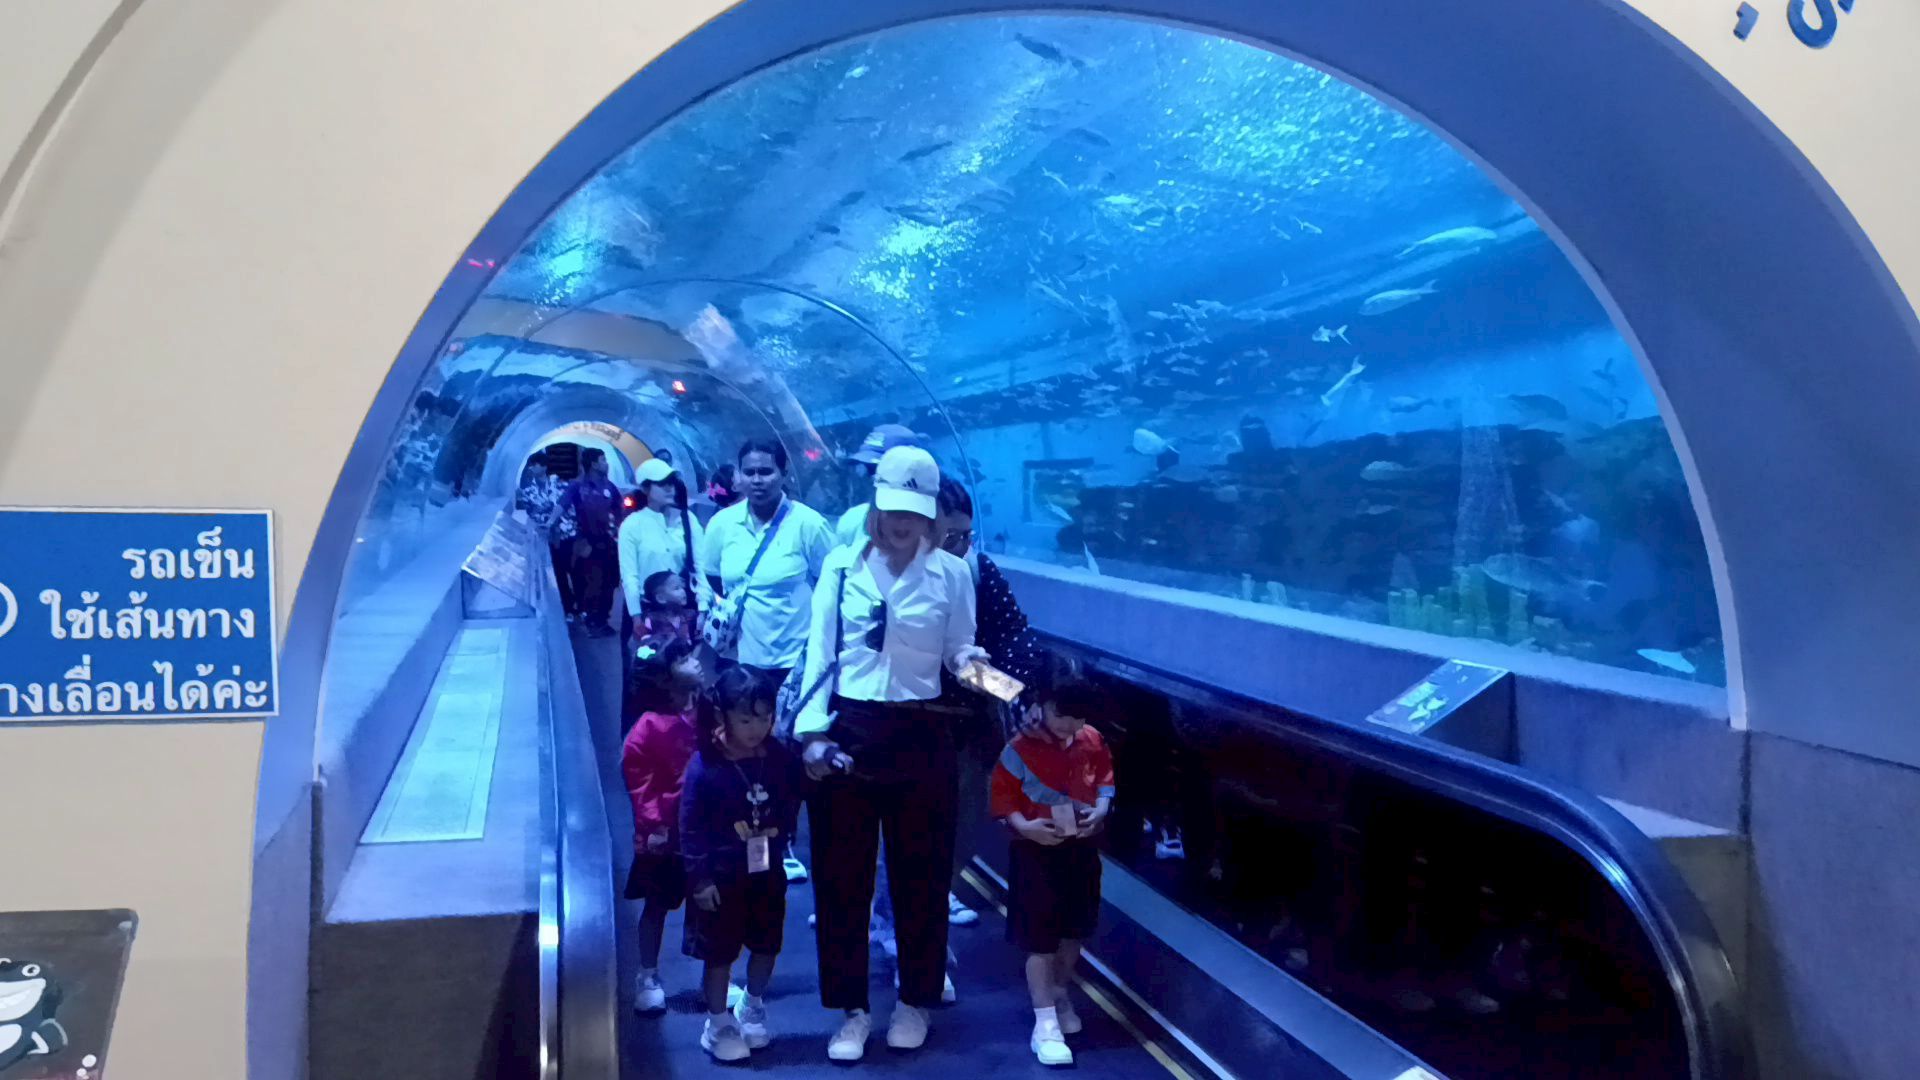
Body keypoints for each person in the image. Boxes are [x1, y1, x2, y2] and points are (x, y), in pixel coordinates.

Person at [793, 445, 992, 1062]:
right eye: (892, 509)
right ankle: (851, 1011)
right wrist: (812, 733)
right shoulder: (840, 566)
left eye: (913, 512)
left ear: (931, 514)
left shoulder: (952, 574)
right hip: (849, 730)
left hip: (920, 733)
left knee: (922, 878)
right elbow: (819, 653)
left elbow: (959, 649)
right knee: (841, 879)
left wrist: (977, 666)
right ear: (875, 505)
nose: (901, 523)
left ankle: (914, 1000)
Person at [704, 439, 834, 885]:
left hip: (795, 664)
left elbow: (831, 582)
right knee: (750, 752)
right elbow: (714, 578)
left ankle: (790, 838)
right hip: (744, 663)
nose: (757, 480)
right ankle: (753, 837)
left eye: (766, 471)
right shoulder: (722, 525)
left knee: (790, 755)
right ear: (737, 476)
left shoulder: (808, 525)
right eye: (749, 472)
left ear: (784, 473)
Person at [988, 655, 1116, 1067]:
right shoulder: (1018, 749)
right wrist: (1025, 827)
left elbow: (1106, 779)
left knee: (1074, 931)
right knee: (1038, 940)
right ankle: (1044, 1022)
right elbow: (1002, 799)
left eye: (1077, 718)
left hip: (1080, 850)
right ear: (1040, 704)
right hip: (1035, 854)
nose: (1069, 725)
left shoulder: (1092, 739)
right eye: (1061, 715)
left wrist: (1102, 809)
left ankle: (1060, 994)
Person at [679, 667, 804, 1062]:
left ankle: (752, 1004)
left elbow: (795, 794)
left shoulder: (779, 758)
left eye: (765, 718)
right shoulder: (706, 765)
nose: (756, 729)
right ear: (723, 716)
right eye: (746, 720)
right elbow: (690, 826)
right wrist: (700, 879)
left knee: (767, 944)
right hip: (720, 878)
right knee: (720, 954)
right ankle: (717, 1024)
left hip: (766, 873)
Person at [620, 634, 705, 1016]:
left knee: (707, 907)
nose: (695, 660)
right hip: (665, 837)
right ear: (665, 679)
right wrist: (656, 826)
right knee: (656, 905)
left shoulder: (706, 711)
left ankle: (712, 977)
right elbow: (641, 788)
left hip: (703, 832)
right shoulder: (648, 728)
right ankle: (648, 974)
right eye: (683, 657)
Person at [619, 457, 712, 639]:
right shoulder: (632, 525)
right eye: (662, 484)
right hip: (648, 610)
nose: (670, 488)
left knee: (687, 655)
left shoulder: (688, 520)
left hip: (684, 609)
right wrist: (636, 617)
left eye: (671, 482)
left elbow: (701, 566)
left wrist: (703, 607)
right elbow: (630, 575)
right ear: (646, 489)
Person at [558, 448, 623, 636]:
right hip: (587, 544)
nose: (606, 464)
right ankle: (591, 621)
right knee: (591, 583)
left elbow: (620, 512)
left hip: (609, 544)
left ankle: (602, 619)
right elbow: (562, 505)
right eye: (603, 460)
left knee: (610, 582)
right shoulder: (577, 486)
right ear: (593, 464)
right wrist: (550, 523)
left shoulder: (610, 487)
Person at [834, 424, 925, 548]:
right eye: (868, 468)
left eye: (879, 469)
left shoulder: (937, 524)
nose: (868, 477)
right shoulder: (851, 522)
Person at [517, 453, 574, 618]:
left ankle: (577, 605)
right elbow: (530, 512)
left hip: (564, 535)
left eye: (534, 465)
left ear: (544, 466)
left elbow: (566, 506)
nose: (531, 468)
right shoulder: (528, 491)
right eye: (530, 465)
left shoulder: (561, 485)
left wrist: (548, 513)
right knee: (556, 573)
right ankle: (566, 608)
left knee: (573, 570)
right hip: (544, 538)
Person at [638, 569, 698, 644]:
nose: (683, 591)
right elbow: (644, 645)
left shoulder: (691, 615)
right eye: (676, 588)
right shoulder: (650, 621)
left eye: (682, 587)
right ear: (661, 598)